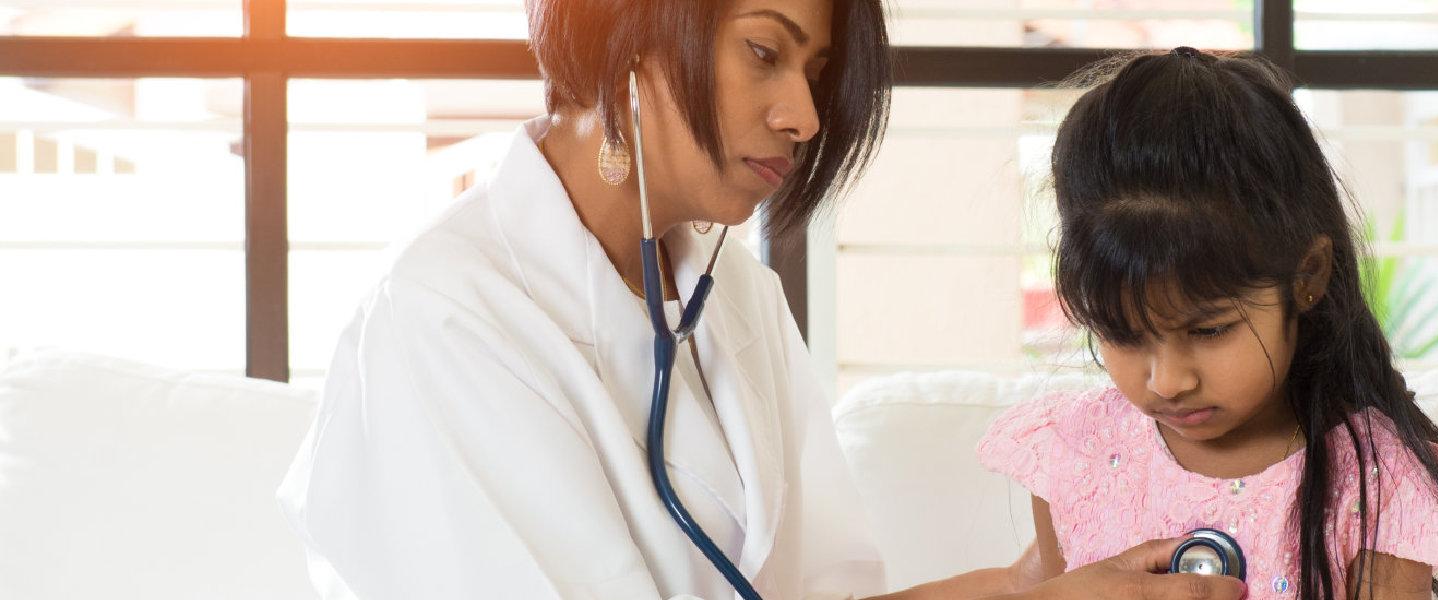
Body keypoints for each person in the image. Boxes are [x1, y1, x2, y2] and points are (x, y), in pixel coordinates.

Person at [276, 1, 1246, 599]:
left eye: (815, 71)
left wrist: (1034, 585)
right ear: (630, 24)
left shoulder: (727, 290)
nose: (806, 115)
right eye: (763, 52)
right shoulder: (446, 318)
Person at [975, 48, 1438, 600]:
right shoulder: (1075, 453)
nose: (1168, 380)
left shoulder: (1377, 486)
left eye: (1209, 331)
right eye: (1122, 333)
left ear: (1308, 275)